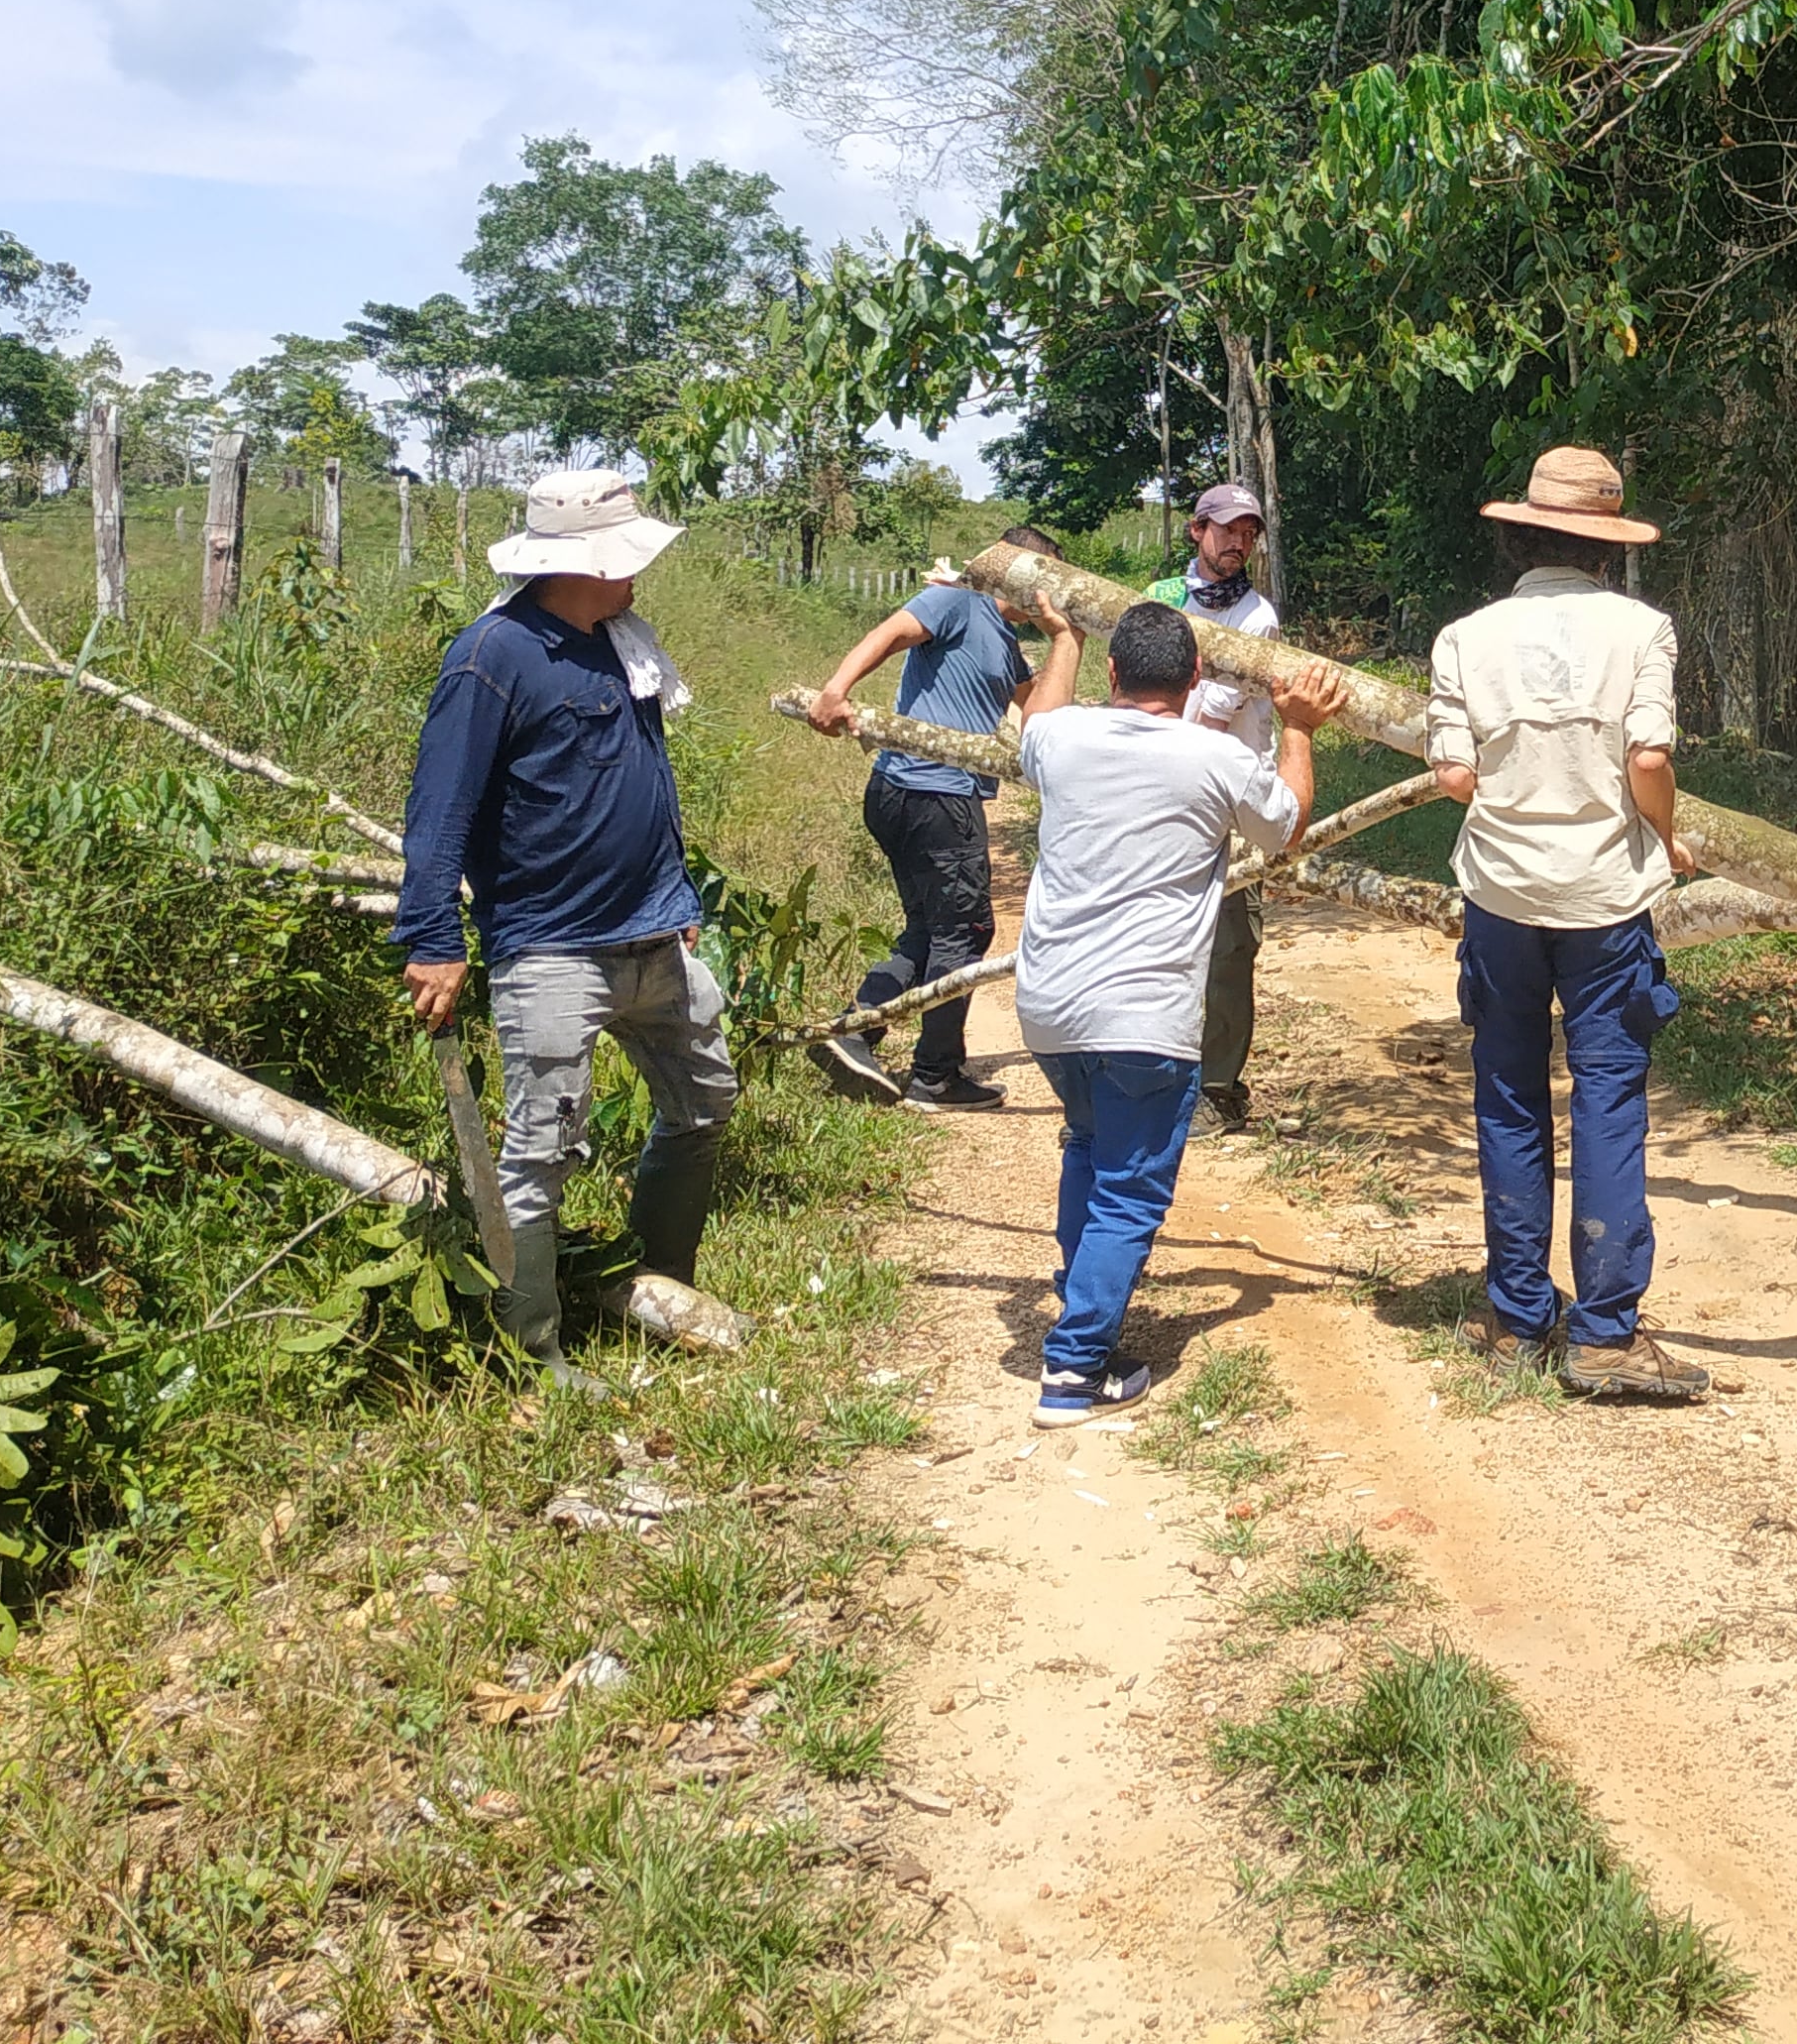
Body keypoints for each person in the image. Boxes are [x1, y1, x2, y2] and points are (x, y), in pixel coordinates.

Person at [394, 469, 736, 1381]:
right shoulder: (493, 657)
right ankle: (534, 1342)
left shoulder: (621, 640)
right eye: (624, 557)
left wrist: (678, 896)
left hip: (655, 933)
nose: (639, 574)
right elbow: (439, 811)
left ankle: (656, 1285)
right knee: (540, 1149)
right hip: (552, 946)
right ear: (574, 562)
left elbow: (642, 781)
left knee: (705, 1102)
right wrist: (432, 940)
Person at [1007, 594, 1351, 1419]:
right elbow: (1287, 828)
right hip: (1145, 1014)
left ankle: (1082, 1299)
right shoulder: (1213, 758)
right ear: (1196, 677)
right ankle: (1075, 1368)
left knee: (1089, 1147)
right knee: (1129, 1186)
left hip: (1049, 1006)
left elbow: (1041, 711)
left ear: (1115, 672)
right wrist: (1299, 725)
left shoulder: (1058, 738)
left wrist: (1062, 639)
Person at [1424, 445, 1711, 1404]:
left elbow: (1454, 778)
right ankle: (1604, 1333)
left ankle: (1516, 1317)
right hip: (1605, 898)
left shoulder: (1464, 636)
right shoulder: (1644, 630)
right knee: (1608, 1101)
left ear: (1520, 534)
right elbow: (1651, 756)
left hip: (1500, 894)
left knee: (1508, 1095)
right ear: (1606, 546)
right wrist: (1667, 839)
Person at [801, 523, 1067, 1109]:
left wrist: (1062, 639)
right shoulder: (958, 600)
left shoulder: (1005, 641)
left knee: (930, 928)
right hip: (931, 793)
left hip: (921, 795)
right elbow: (892, 632)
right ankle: (935, 1075)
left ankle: (854, 1030)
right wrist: (835, 690)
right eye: (1044, 579)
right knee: (965, 931)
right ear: (1015, 571)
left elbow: (1047, 718)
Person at [1150, 482, 1283, 1132]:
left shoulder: (1258, 618)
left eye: (1249, 532)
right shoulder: (1163, 600)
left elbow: (1210, 713)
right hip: (1169, 792)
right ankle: (1153, 1076)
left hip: (1232, 798)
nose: (1238, 542)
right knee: (1159, 941)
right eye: (1227, 529)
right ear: (1198, 531)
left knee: (1231, 946)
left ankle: (1221, 1086)